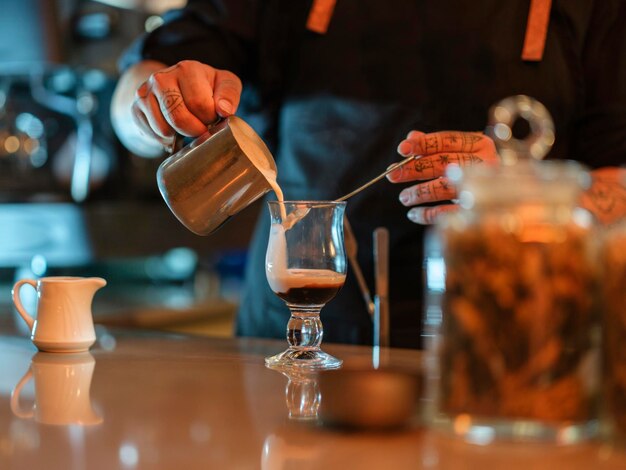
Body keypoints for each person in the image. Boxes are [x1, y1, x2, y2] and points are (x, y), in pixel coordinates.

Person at [111, 0, 626, 349]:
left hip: (510, 358)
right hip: (295, 356)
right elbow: (140, 81)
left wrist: (525, 196)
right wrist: (153, 107)